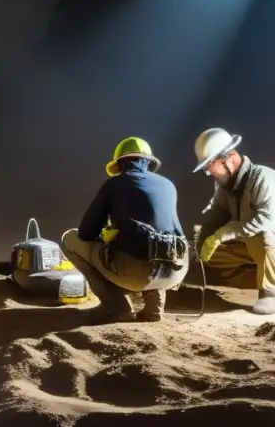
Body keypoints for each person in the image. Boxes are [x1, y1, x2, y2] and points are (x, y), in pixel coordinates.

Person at [61, 136, 189, 323]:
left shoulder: (115, 184)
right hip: (177, 270)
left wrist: (108, 236)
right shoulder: (168, 185)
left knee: (70, 239)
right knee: (156, 243)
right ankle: (154, 308)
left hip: (138, 273)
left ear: (121, 164)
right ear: (148, 161)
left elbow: (86, 232)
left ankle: (115, 305)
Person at [192, 128, 275, 315]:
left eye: (210, 165)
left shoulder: (264, 177)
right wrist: (199, 247)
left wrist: (225, 232)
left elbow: (266, 221)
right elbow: (213, 219)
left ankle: (274, 292)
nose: (209, 172)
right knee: (212, 252)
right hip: (254, 245)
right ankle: (259, 277)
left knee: (263, 236)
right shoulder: (225, 189)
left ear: (229, 158)